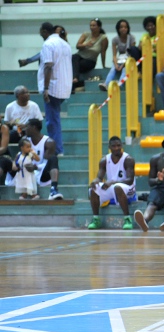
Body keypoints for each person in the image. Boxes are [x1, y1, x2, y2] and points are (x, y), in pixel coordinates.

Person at [5, 118, 63, 200]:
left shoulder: (49, 142)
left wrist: (35, 167)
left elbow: (47, 164)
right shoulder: (24, 141)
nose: (25, 129)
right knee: (4, 160)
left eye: (27, 126)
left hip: (40, 173)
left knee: (53, 158)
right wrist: (16, 164)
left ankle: (53, 190)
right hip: (25, 172)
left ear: (34, 127)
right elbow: (20, 157)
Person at [88, 136, 136, 230]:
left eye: (118, 145)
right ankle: (96, 219)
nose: (116, 148)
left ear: (122, 145)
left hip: (128, 188)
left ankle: (127, 219)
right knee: (94, 189)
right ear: (109, 147)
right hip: (113, 187)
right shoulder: (104, 160)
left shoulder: (128, 159)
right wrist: (95, 181)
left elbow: (130, 180)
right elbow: (99, 177)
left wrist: (113, 182)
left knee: (117, 187)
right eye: (113, 146)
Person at [38, 21, 72, 156]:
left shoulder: (48, 44)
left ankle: (57, 150)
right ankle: (57, 148)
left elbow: (48, 66)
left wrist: (46, 88)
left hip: (53, 86)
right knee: (54, 118)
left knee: (52, 121)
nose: (41, 36)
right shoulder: (66, 44)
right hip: (65, 86)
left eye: (41, 33)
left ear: (45, 32)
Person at [99, 19, 136, 91]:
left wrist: (123, 65)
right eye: (121, 27)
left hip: (129, 59)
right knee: (113, 69)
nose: (123, 29)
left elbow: (132, 53)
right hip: (120, 58)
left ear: (128, 29)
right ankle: (106, 84)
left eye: (125, 27)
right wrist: (116, 65)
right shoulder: (115, 39)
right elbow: (114, 55)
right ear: (118, 29)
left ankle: (120, 84)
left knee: (125, 69)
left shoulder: (131, 38)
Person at [72, 18, 108, 91]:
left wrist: (103, 65)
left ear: (99, 27)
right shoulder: (86, 34)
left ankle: (77, 82)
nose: (92, 27)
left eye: (94, 25)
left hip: (90, 61)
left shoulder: (103, 38)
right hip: (79, 57)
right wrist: (85, 44)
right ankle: (75, 79)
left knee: (76, 66)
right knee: (73, 57)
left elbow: (103, 52)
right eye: (91, 25)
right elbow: (77, 46)